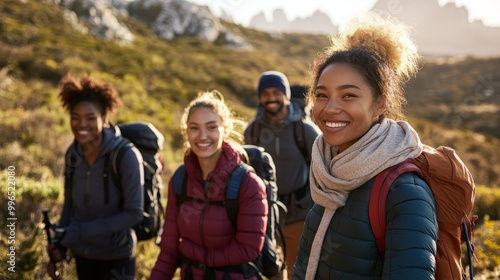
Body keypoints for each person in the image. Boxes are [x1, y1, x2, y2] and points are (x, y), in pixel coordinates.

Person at [292, 12, 439, 279]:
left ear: (380, 104)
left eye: (349, 95)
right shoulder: (328, 171)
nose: (330, 108)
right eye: (322, 95)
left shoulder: (404, 191)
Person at [150, 90, 268, 280]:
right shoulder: (180, 180)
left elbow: (249, 249)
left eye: (212, 127)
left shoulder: (248, 184)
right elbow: (169, 251)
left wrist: (198, 255)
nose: (202, 136)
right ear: (186, 132)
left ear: (225, 130)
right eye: (194, 128)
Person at [47, 73, 144, 279]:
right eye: (75, 117)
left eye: (91, 118)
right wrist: (60, 243)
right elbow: (69, 208)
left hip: (117, 259)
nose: (82, 124)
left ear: (104, 119)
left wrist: (79, 232)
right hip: (82, 256)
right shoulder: (72, 154)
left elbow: (134, 213)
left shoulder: (125, 155)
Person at [244, 71, 320, 278]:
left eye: (276, 92)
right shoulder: (253, 131)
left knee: (298, 270)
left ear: (285, 94)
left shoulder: (305, 130)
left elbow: (325, 169)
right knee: (272, 270)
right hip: (264, 214)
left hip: (299, 213)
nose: (271, 98)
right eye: (265, 93)